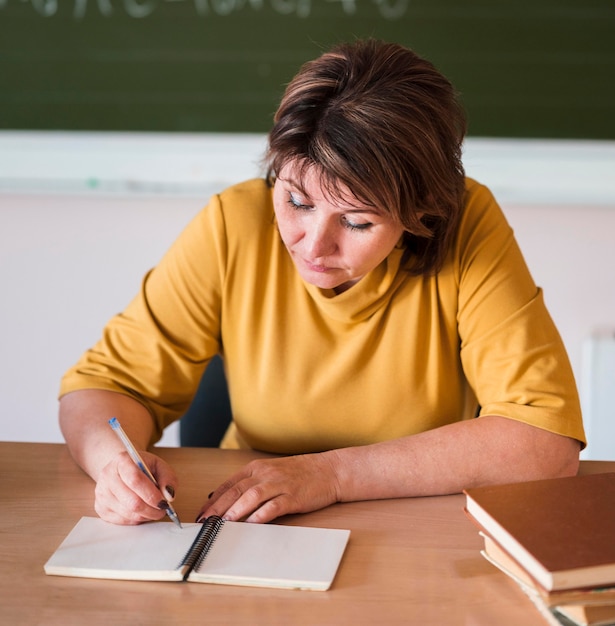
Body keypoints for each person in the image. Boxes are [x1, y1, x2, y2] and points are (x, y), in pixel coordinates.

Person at [58, 39, 585, 526]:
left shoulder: (467, 225)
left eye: (356, 222)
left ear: (422, 210)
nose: (312, 245)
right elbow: (105, 387)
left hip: (413, 526)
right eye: (296, 201)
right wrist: (114, 466)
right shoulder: (232, 223)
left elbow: (544, 441)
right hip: (247, 517)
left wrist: (329, 475)